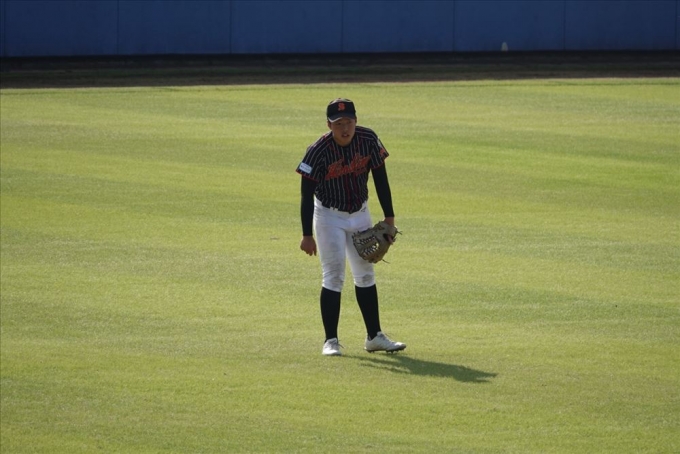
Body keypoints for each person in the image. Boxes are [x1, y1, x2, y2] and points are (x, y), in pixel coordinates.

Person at [296, 98, 406, 356]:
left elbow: (381, 179)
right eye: (338, 124)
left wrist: (389, 218)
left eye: (348, 122)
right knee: (333, 276)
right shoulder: (317, 151)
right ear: (329, 125)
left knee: (365, 274)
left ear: (356, 121)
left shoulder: (368, 140)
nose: (344, 128)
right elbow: (306, 194)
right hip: (328, 216)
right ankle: (330, 341)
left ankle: (374, 337)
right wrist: (306, 235)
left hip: (360, 214)